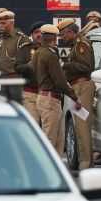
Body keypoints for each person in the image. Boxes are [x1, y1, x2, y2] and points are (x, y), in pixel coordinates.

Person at [34, 24, 80, 157]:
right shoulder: (50, 55)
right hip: (50, 99)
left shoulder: (38, 52)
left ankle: (55, 170)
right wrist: (74, 97)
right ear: (54, 38)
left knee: (58, 139)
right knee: (51, 139)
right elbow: (59, 80)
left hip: (44, 96)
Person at [59, 20, 95, 169]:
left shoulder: (81, 45)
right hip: (76, 86)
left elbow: (86, 67)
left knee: (82, 126)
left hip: (82, 86)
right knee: (79, 126)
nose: (62, 37)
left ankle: (86, 162)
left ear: (70, 32)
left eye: (63, 34)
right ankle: (85, 160)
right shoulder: (75, 45)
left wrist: (66, 64)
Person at [0, 10, 31, 76]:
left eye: (3, 23)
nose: (0, 26)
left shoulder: (21, 39)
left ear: (12, 23)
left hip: (13, 79)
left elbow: (26, 63)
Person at [16, 21, 45, 123]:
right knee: (34, 123)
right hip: (31, 93)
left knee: (48, 127)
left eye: (41, 32)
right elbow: (17, 67)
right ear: (32, 35)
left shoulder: (51, 49)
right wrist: (28, 66)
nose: (39, 35)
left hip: (47, 94)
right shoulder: (25, 49)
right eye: (36, 32)